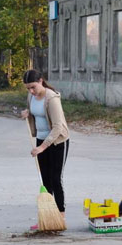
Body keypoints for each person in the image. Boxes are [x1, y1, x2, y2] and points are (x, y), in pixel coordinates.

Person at [20, 70, 70, 228]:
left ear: (41, 81)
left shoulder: (52, 99)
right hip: (41, 139)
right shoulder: (31, 96)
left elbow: (57, 128)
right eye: (28, 88)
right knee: (45, 181)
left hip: (57, 142)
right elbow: (34, 113)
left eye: (33, 87)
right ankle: (48, 218)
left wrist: (41, 147)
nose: (31, 91)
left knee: (55, 179)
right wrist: (27, 114)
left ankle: (60, 218)